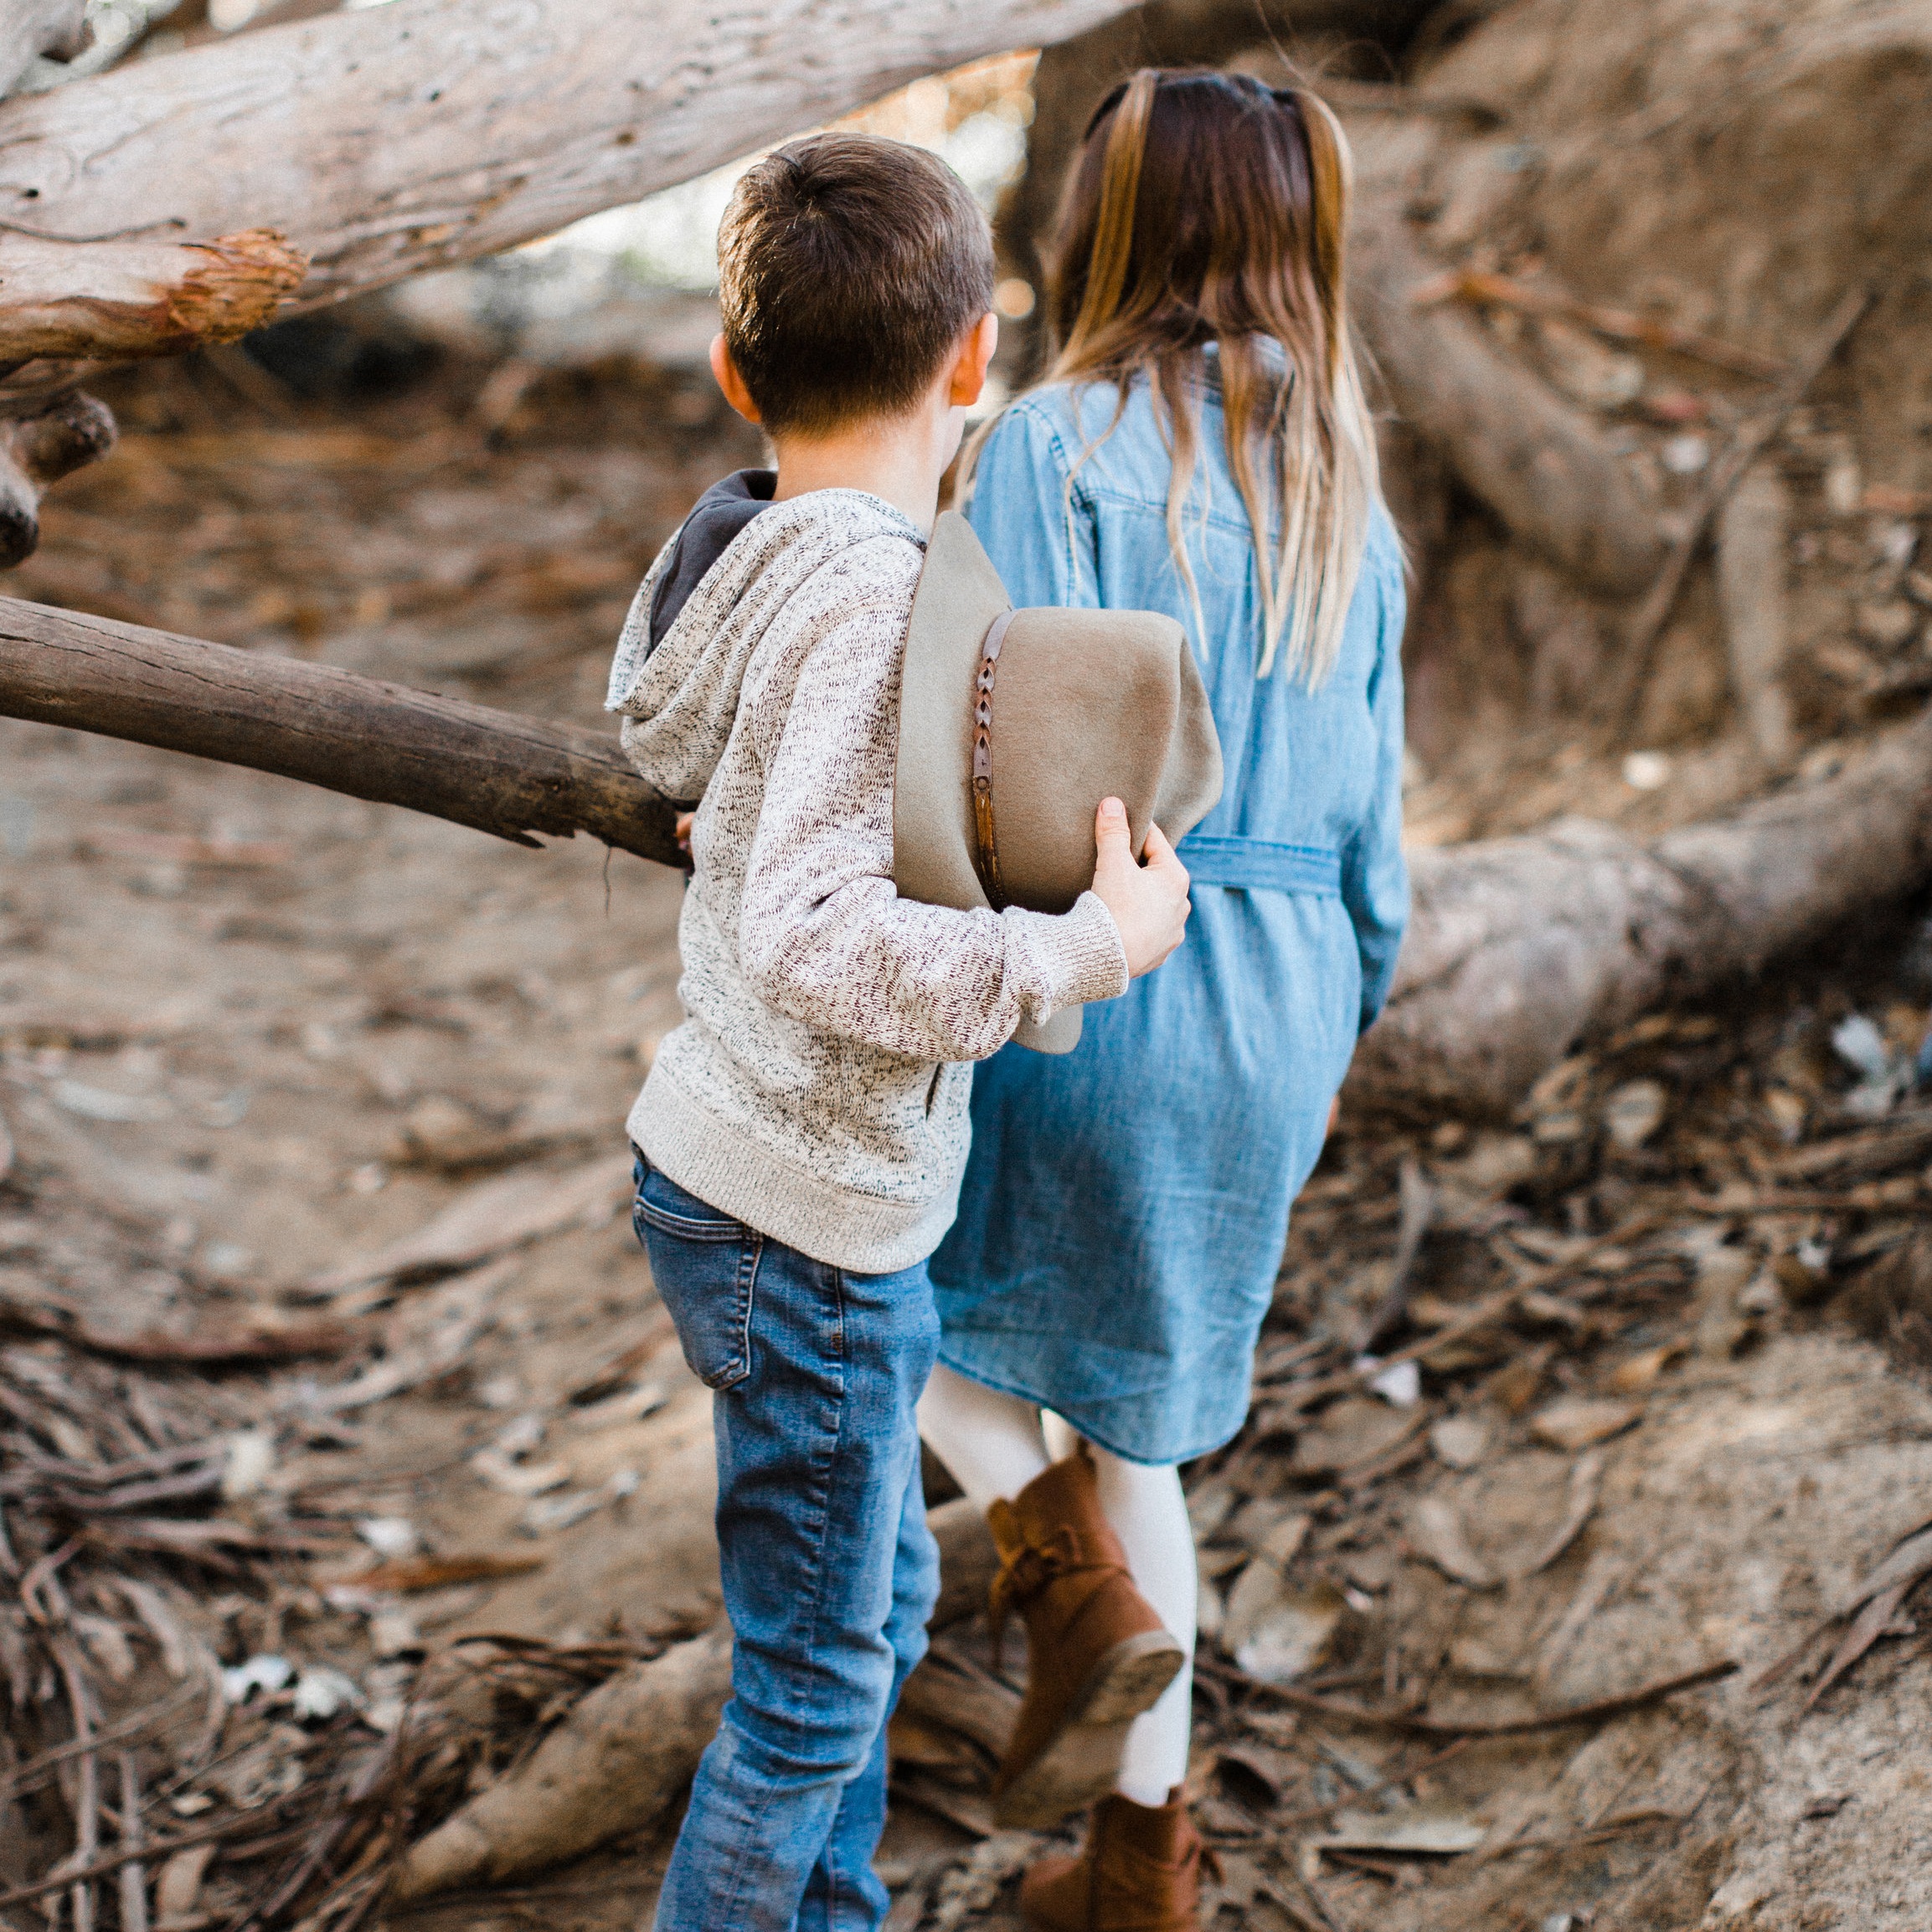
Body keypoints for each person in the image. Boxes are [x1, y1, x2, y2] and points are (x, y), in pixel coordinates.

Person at [604, 133, 1193, 1932]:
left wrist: (755, 808)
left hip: (770, 1182)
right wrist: (1081, 950)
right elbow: (808, 930)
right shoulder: (867, 584)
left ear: (732, 372)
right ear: (973, 357)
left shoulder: (751, 553)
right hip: (808, 1211)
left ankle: (830, 1914)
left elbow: (661, 743)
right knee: (809, 1683)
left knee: (857, 1616)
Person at [917, 70, 1409, 1931]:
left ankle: (1058, 1578)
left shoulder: (1050, 448)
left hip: (1105, 964)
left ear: (1104, 226)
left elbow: (1005, 771)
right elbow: (1378, 854)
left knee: (894, 1315)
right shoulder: (1346, 511)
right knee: (1135, 1426)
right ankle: (1144, 1871)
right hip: (1281, 1002)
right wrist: (1322, 1038)